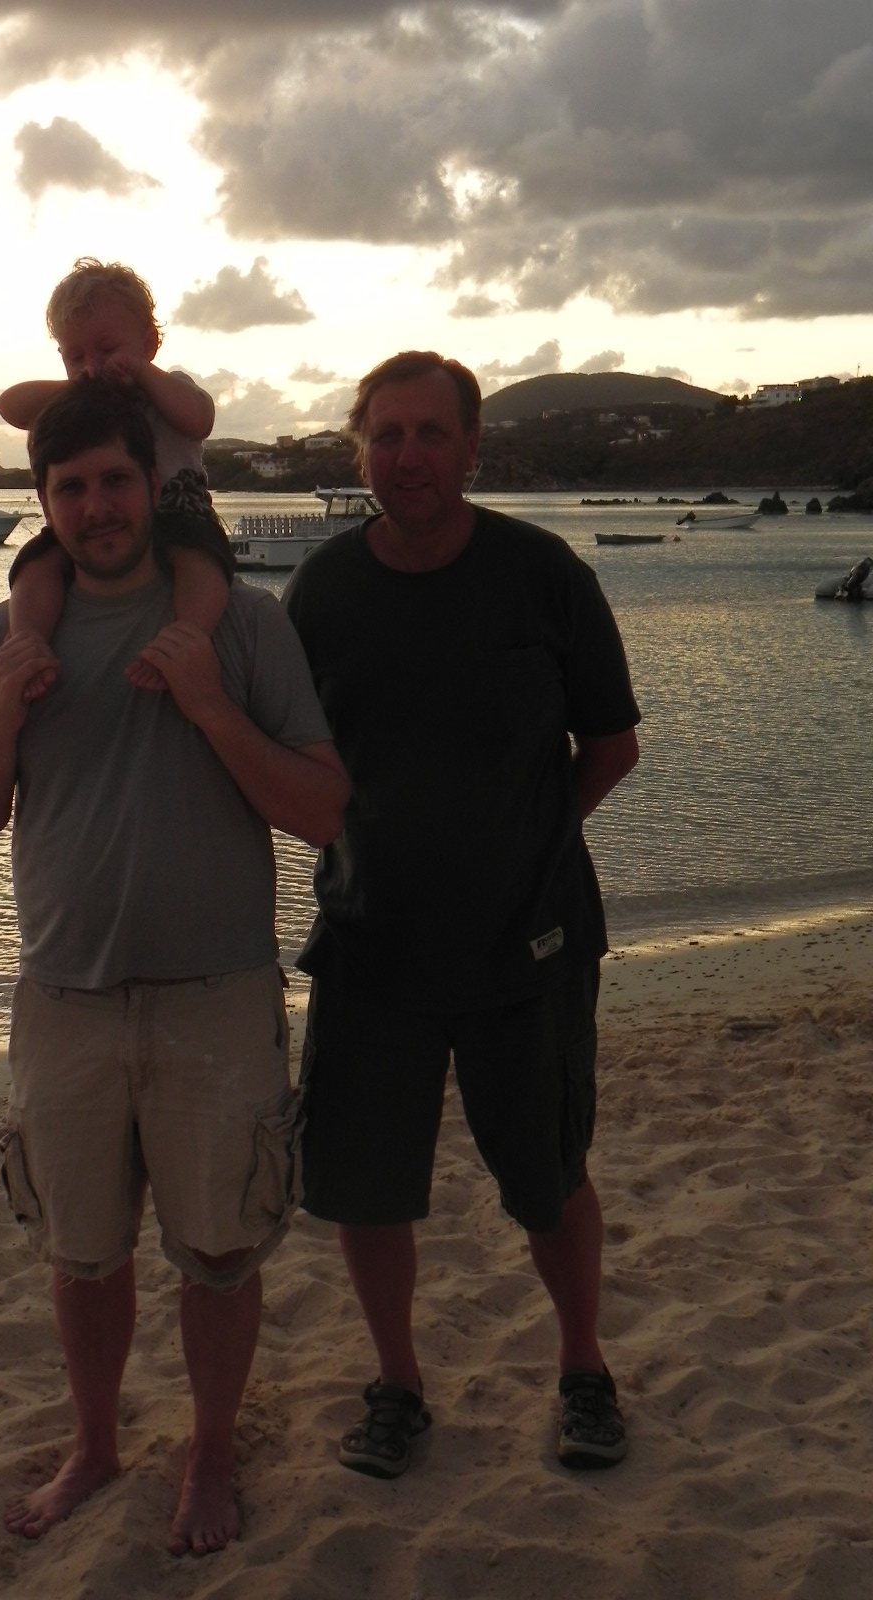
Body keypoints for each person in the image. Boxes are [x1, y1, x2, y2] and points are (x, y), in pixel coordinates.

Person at [0, 379, 349, 1555]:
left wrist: (213, 709)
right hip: (63, 997)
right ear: (43, 503)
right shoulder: (5, 640)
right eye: (69, 489)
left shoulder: (243, 625)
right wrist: (2, 721)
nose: (97, 505)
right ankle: (96, 1444)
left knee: (218, 1251)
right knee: (81, 1252)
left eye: (115, 480)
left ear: (154, 484)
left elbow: (322, 810)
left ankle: (209, 1451)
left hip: (218, 993)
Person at [282, 350, 641, 1480]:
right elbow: (291, 760)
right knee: (366, 1186)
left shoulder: (542, 575)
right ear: (362, 451)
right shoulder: (322, 592)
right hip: (369, 946)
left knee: (548, 1176)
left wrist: (526, 842)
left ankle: (583, 1368)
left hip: (527, 949)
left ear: (472, 449)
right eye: (386, 435)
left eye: (431, 433)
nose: (408, 456)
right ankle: (397, 1385)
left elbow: (612, 745)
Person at [0, 257, 231, 695]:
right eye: (76, 356)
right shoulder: (77, 404)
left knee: (201, 563)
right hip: (93, 526)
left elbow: (199, 419)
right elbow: (11, 405)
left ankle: (187, 638)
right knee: (36, 565)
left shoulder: (168, 387)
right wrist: (78, 386)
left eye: (106, 350)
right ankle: (27, 645)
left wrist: (141, 373)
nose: (93, 365)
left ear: (147, 344)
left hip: (181, 514)